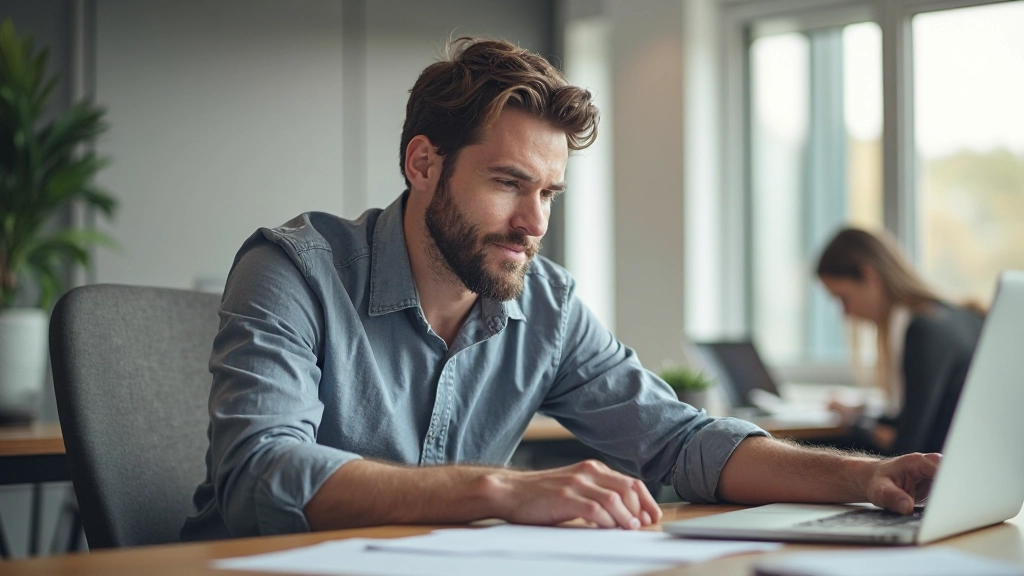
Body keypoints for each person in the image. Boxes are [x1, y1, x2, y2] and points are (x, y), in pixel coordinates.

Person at [180, 38, 938, 541]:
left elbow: (678, 441)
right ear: (422, 163)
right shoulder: (294, 271)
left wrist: (870, 478)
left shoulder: (545, 304)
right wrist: (501, 491)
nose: (531, 223)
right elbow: (260, 475)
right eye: (509, 183)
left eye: (549, 194)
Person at [816, 227, 985, 456]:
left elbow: (906, 450)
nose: (846, 313)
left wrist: (858, 423)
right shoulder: (961, 317)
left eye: (843, 298)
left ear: (869, 276)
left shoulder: (923, 331)